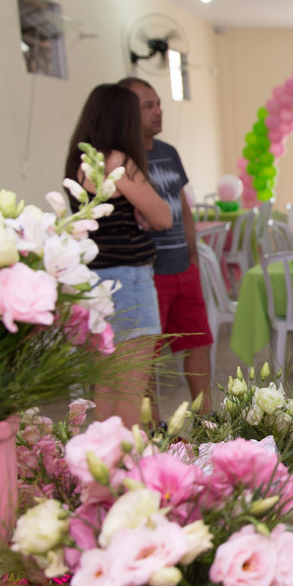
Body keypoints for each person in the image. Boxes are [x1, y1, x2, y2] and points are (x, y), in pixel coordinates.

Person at [65, 84, 172, 427]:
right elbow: (163, 217)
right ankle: (125, 456)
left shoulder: (81, 161)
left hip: (95, 281)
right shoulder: (117, 162)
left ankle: (105, 454)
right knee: (130, 390)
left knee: (106, 384)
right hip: (129, 281)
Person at [119, 77, 214, 414]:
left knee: (198, 343)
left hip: (182, 267)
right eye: (149, 106)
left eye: (158, 103)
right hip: (148, 272)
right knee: (147, 356)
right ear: (128, 112)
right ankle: (155, 429)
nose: (159, 111)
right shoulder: (121, 159)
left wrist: (192, 255)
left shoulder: (168, 152)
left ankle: (206, 421)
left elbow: (182, 206)